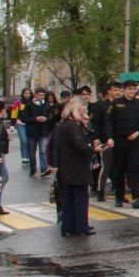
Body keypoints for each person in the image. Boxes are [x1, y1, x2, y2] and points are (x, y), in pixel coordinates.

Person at [52, 97, 97, 236]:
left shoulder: (65, 125)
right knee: (80, 198)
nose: (86, 111)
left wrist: (85, 124)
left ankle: (69, 226)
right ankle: (80, 226)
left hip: (68, 167)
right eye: (84, 108)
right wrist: (95, 150)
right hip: (76, 167)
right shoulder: (72, 126)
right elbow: (81, 146)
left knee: (70, 198)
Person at [109, 83, 139, 207]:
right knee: (119, 169)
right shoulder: (115, 104)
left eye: (134, 89)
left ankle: (136, 198)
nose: (132, 91)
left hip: (135, 141)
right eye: (129, 89)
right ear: (124, 90)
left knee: (134, 168)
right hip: (119, 140)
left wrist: (138, 133)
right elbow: (109, 122)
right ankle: (119, 197)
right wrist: (109, 137)